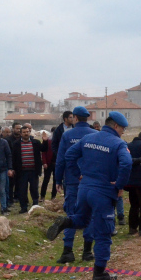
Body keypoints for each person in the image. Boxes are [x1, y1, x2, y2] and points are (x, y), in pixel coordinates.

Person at [52, 112, 132, 280]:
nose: (123, 132)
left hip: (84, 189)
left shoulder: (88, 139)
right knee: (103, 233)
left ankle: (66, 222)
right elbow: (127, 163)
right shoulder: (118, 143)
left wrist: (78, 174)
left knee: (82, 219)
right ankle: (99, 273)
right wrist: (119, 185)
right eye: (123, 129)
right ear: (116, 126)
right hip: (103, 192)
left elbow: (68, 156)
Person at [50, 106, 98, 263]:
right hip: (91, 181)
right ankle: (87, 251)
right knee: (90, 214)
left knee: (71, 214)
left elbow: (61, 160)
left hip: (72, 180)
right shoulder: (95, 135)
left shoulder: (67, 135)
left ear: (75, 118)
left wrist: (58, 180)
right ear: (87, 118)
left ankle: (68, 251)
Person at [12, 125, 43, 214]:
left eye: (27, 132)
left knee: (34, 189)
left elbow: (44, 149)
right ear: (21, 134)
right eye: (24, 132)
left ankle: (35, 205)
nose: (26, 133)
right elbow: (13, 157)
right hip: (21, 171)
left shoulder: (36, 142)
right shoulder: (16, 144)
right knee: (22, 190)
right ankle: (24, 207)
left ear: (30, 132)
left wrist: (44, 141)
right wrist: (12, 169)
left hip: (33, 171)